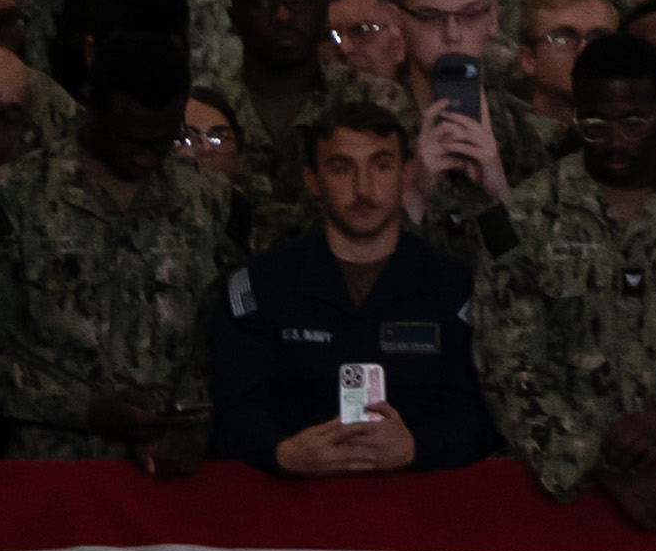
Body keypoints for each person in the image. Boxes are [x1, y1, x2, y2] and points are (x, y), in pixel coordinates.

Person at [208, 88, 502, 476]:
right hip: (292, 515)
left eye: (381, 166)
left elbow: (482, 415)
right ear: (312, 181)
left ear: (406, 174)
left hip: (418, 515)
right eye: (342, 168)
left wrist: (418, 446)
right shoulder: (264, 285)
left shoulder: (451, 288)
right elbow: (232, 409)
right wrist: (282, 452)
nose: (363, 189)